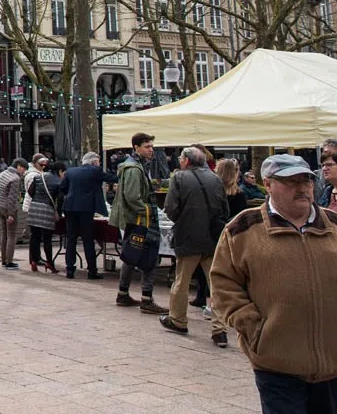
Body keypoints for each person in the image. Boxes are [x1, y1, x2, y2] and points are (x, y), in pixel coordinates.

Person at [211, 154, 337, 414]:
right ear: (268, 185)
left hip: (335, 363)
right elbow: (223, 284)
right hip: (277, 363)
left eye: (306, 180)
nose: (302, 187)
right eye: (291, 181)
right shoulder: (243, 229)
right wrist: (255, 330)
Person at [160, 146, 229, 347]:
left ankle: (178, 320)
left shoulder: (179, 178)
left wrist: (181, 220)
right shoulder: (215, 178)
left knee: (181, 281)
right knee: (215, 283)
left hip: (188, 236)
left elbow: (170, 207)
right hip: (211, 237)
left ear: (186, 161)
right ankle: (220, 329)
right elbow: (223, 208)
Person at [109, 132, 167, 314]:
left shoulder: (137, 166)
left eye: (151, 146)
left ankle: (123, 293)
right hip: (142, 220)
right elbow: (133, 197)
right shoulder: (134, 168)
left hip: (137, 219)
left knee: (130, 255)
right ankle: (146, 299)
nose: (151, 150)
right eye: (147, 147)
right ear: (136, 148)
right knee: (149, 258)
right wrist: (148, 210)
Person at [58, 152, 116, 279]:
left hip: (70, 207)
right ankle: (92, 271)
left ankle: (70, 270)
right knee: (88, 239)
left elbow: (62, 187)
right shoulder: (95, 171)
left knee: (71, 239)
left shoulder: (71, 171)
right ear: (94, 162)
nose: (99, 163)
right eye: (98, 161)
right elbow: (111, 178)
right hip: (86, 209)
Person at [26, 160, 64, 273]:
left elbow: (30, 191)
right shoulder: (58, 182)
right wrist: (59, 212)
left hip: (34, 208)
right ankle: (50, 263)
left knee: (34, 236)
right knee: (47, 238)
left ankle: (34, 260)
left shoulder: (39, 177)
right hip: (47, 209)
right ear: (60, 171)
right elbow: (60, 199)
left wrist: (36, 199)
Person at [0, 158, 27, 270]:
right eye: (24, 168)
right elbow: (12, 198)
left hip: (0, 206)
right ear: (18, 166)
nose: (24, 171)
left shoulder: (3, 173)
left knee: (4, 234)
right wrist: (11, 214)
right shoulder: (16, 178)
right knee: (12, 236)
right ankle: (9, 262)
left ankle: (4, 260)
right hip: (9, 209)